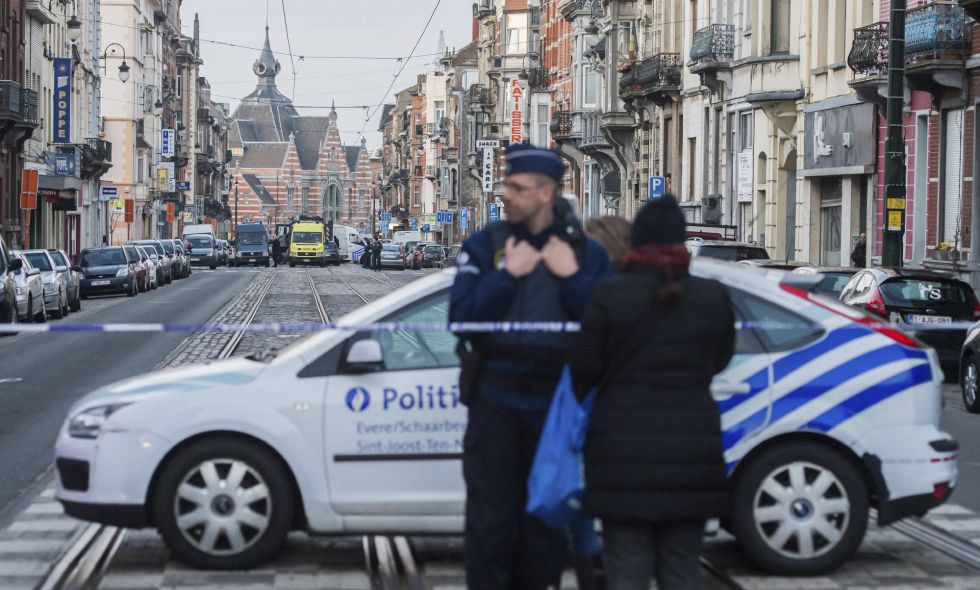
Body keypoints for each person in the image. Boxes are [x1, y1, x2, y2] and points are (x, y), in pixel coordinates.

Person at [450, 144, 613, 590]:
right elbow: (460, 319)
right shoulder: (486, 247)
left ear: (546, 193)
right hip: (495, 402)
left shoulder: (585, 255)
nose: (505, 194)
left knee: (544, 524)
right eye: (506, 185)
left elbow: (606, 329)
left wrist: (570, 278)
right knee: (489, 523)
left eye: (517, 188)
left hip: (555, 408)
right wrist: (507, 276)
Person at [568, 195, 735, 590]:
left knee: (626, 566)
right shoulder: (711, 297)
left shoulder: (610, 295)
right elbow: (721, 359)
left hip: (620, 454)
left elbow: (583, 370)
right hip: (692, 452)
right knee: (681, 566)